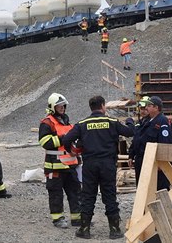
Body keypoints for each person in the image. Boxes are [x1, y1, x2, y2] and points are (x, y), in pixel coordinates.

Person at [62, 95, 134, 240]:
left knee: (88, 195)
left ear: (91, 107)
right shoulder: (111, 122)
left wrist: (71, 151)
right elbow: (130, 132)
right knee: (109, 196)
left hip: (90, 165)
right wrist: (130, 121)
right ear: (102, 106)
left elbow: (67, 139)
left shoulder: (83, 124)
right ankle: (114, 230)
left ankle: (84, 229)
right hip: (108, 164)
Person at [38, 93, 82, 229]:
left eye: (63, 105)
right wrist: (64, 138)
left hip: (70, 165)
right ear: (53, 107)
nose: (62, 108)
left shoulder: (66, 121)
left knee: (75, 192)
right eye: (59, 106)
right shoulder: (47, 123)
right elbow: (45, 142)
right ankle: (58, 219)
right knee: (56, 194)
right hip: (54, 166)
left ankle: (77, 218)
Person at [131, 96, 172, 191]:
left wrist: (161, 163)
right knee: (145, 189)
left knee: (159, 189)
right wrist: (132, 154)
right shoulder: (147, 121)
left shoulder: (162, 121)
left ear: (156, 108)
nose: (146, 108)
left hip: (156, 163)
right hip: (144, 160)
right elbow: (138, 139)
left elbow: (165, 143)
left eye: (149, 106)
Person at [128, 96, 152, 185]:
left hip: (149, 158)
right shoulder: (139, 123)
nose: (143, 111)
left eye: (146, 109)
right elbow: (135, 141)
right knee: (140, 184)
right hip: (139, 159)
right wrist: (131, 155)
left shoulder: (153, 123)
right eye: (142, 108)